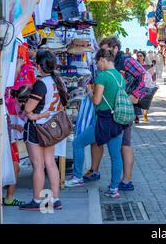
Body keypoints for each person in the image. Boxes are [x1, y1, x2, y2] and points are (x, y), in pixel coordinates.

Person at [83, 37, 148, 191]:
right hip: (111, 110)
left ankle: (126, 181)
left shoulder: (126, 61)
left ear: (115, 48)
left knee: (124, 146)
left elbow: (146, 76)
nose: (105, 53)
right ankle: (95, 171)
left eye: (106, 49)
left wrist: (135, 96)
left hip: (122, 109)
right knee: (98, 140)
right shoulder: (111, 65)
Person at [65, 49, 125, 198]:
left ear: (103, 59)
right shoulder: (119, 76)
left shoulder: (102, 77)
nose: (97, 65)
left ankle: (77, 177)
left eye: (97, 62)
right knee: (115, 156)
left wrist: (90, 91)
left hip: (103, 122)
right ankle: (114, 189)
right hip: (117, 121)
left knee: (78, 143)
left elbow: (96, 100)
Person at [19, 50, 68, 210]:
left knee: (38, 165)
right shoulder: (57, 80)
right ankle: (55, 200)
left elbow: (28, 108)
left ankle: (38, 200)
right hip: (51, 128)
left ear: (38, 65)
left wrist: (30, 112)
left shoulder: (42, 83)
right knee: (50, 163)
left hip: (37, 128)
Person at [136, 50, 151, 123]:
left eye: (140, 56)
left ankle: (145, 116)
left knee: (145, 101)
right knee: (136, 101)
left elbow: (151, 75)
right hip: (137, 85)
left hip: (145, 85)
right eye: (138, 56)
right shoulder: (135, 65)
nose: (139, 57)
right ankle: (136, 117)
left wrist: (150, 85)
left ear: (144, 57)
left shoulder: (147, 66)